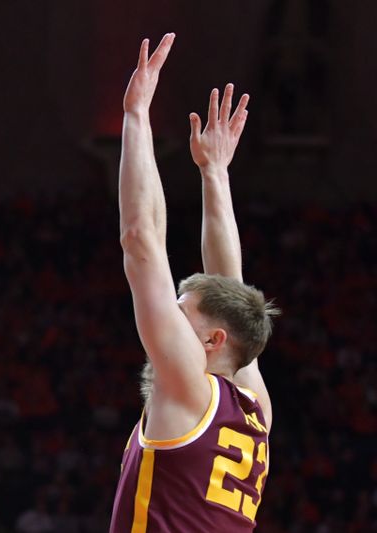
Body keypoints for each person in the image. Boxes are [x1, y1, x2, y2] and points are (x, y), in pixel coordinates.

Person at [109, 34, 279, 531]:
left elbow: (141, 242)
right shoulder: (253, 406)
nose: (171, 315)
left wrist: (136, 115)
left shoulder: (190, 390)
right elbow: (232, 283)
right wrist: (214, 172)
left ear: (211, 341)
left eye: (183, 312)